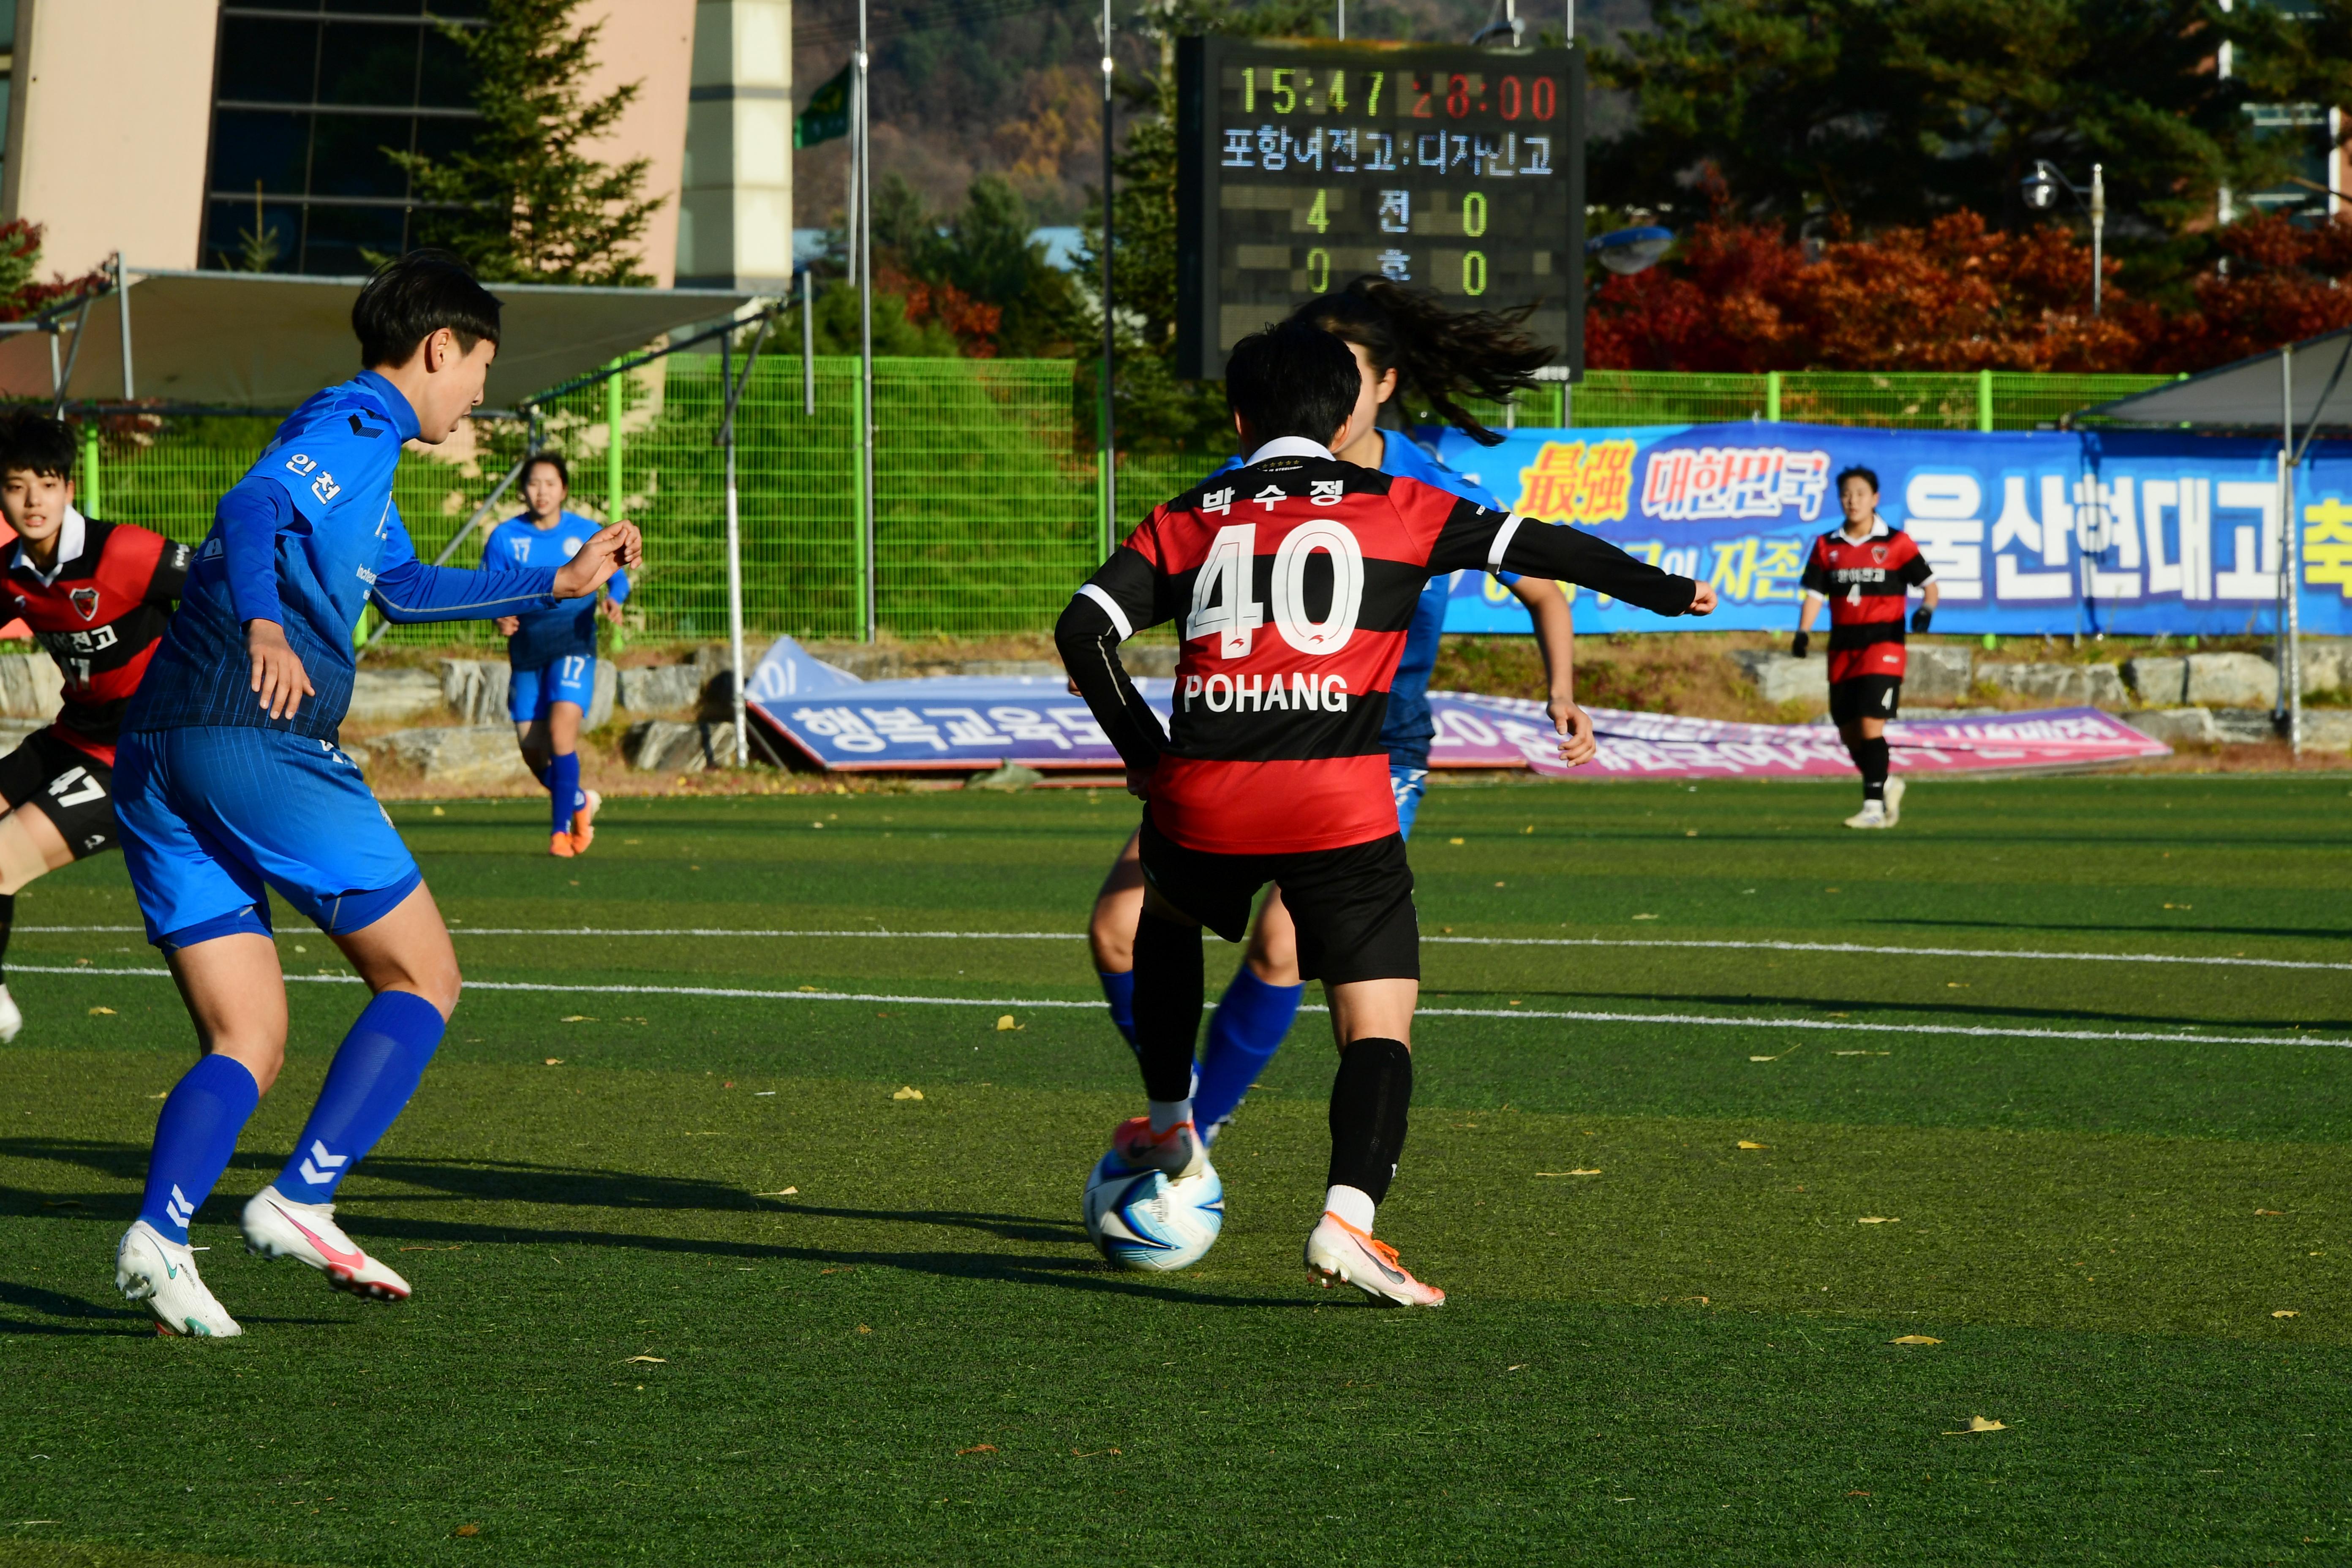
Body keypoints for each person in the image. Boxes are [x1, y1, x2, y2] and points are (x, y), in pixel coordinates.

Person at [1055, 320, 1714, 1306]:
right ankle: (1347, 1221)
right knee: (1377, 1023)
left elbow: (1084, 628)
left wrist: (1147, 757)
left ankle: (1169, 1119)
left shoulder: (1187, 514)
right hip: (1338, 801)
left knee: (1166, 920)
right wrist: (1665, 591)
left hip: (1204, 794)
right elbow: (1545, 549)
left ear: (1238, 418)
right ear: (1349, 412)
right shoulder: (1404, 503)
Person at [110, 249, 642, 1338]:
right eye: (480, 366)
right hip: (248, 732)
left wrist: (560, 579)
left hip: (155, 751)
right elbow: (251, 505)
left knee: (247, 1033)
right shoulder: (351, 430)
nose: (482, 392)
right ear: (439, 347)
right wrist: (263, 621)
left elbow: (401, 588)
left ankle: (162, 1235)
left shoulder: (359, 454)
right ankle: (302, 1195)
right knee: (425, 977)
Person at [1086, 278, 1588, 1148]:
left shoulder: (1423, 480)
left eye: (1346, 378)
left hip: (1371, 750)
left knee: (1283, 942)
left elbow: (1543, 587)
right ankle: (1181, 1107)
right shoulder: (1251, 480)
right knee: (1115, 928)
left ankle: (1194, 1134)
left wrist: (1561, 690)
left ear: (1384, 386)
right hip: (1233, 745)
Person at [0, 411, 192, 1043]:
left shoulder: (124, 552)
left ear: (70, 488)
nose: (33, 501)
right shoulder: (12, 574)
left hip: (137, 757)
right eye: (15, 485)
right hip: (70, 737)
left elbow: (231, 592)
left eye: (48, 483)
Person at [485, 451, 629, 856]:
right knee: (532, 752)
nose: (541, 491)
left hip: (574, 643)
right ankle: (581, 801)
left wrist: (614, 600)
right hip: (527, 649)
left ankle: (560, 834)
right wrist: (500, 618)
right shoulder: (504, 537)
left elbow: (618, 579)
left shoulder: (587, 532)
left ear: (564, 489)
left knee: (561, 735)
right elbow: (489, 592)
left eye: (550, 483)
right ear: (523, 491)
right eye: (534, 483)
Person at [1791, 466, 1938, 829]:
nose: (1852, 500)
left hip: (1883, 645)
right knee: (1847, 730)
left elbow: (1929, 585)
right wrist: (1803, 632)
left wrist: (1927, 609)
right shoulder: (1827, 545)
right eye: (1846, 494)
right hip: (1843, 648)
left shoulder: (1897, 543)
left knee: (1872, 725)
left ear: (1875, 499)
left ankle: (1873, 808)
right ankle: (1886, 782)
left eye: (1860, 493)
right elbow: (1814, 593)